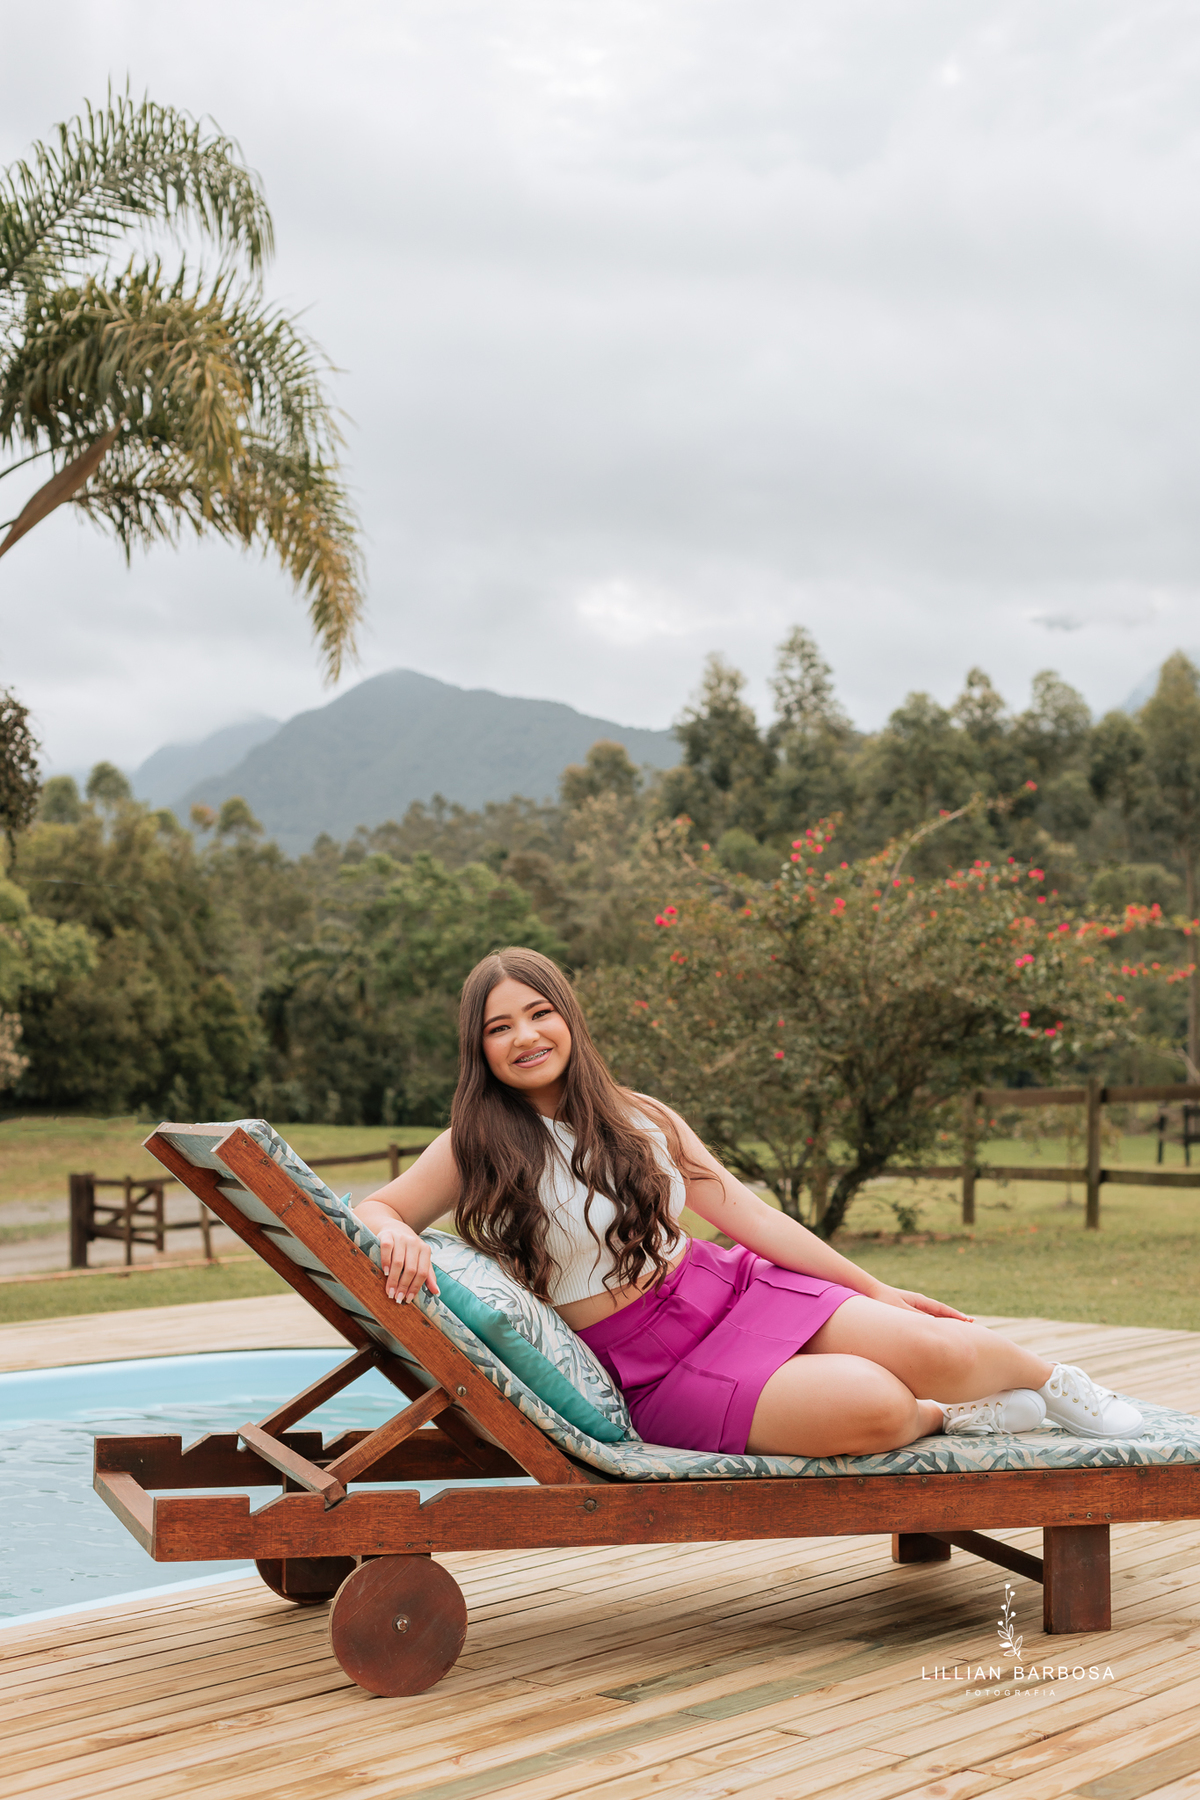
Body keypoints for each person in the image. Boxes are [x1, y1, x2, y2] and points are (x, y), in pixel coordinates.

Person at [356, 947, 1143, 1457]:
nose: (525, 1036)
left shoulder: (642, 1115)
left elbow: (751, 1217)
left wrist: (875, 1289)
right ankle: (950, 1417)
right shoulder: (474, 1143)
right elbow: (371, 1208)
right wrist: (397, 1232)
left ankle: (1058, 1385)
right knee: (875, 1405)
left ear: (569, 1019)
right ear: (480, 1048)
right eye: (500, 1027)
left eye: (539, 1013)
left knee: (940, 1346)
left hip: (731, 1290)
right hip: (655, 1372)